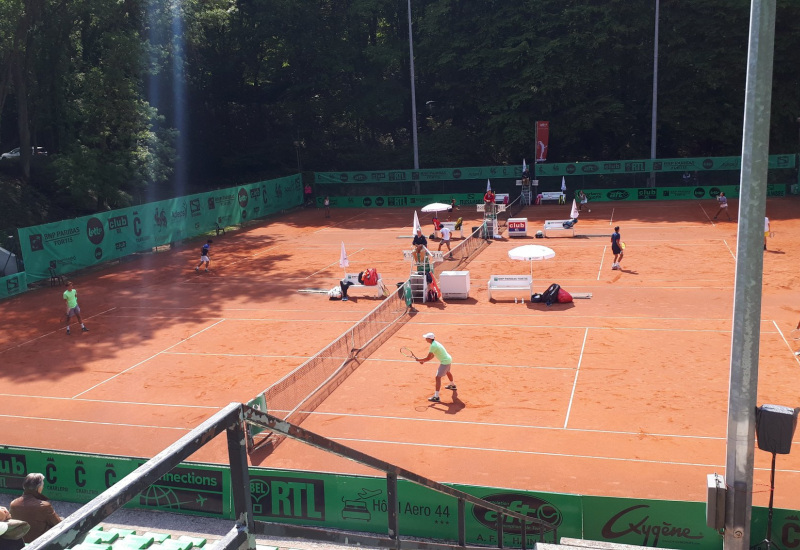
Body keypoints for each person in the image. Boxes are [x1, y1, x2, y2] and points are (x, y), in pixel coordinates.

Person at [9, 473, 61, 543]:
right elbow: (59, 524)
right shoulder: (44, 506)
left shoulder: (13, 504)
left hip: (22, 543)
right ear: (39, 488)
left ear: (24, 487)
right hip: (41, 543)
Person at [417, 333, 455, 402]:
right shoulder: (435, 343)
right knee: (448, 372)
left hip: (445, 361)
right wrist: (423, 361)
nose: (425, 339)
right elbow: (432, 356)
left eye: (426, 338)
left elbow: (428, 357)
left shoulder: (433, 346)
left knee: (438, 377)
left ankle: (436, 397)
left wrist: (420, 360)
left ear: (429, 339)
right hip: (448, 359)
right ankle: (452, 385)